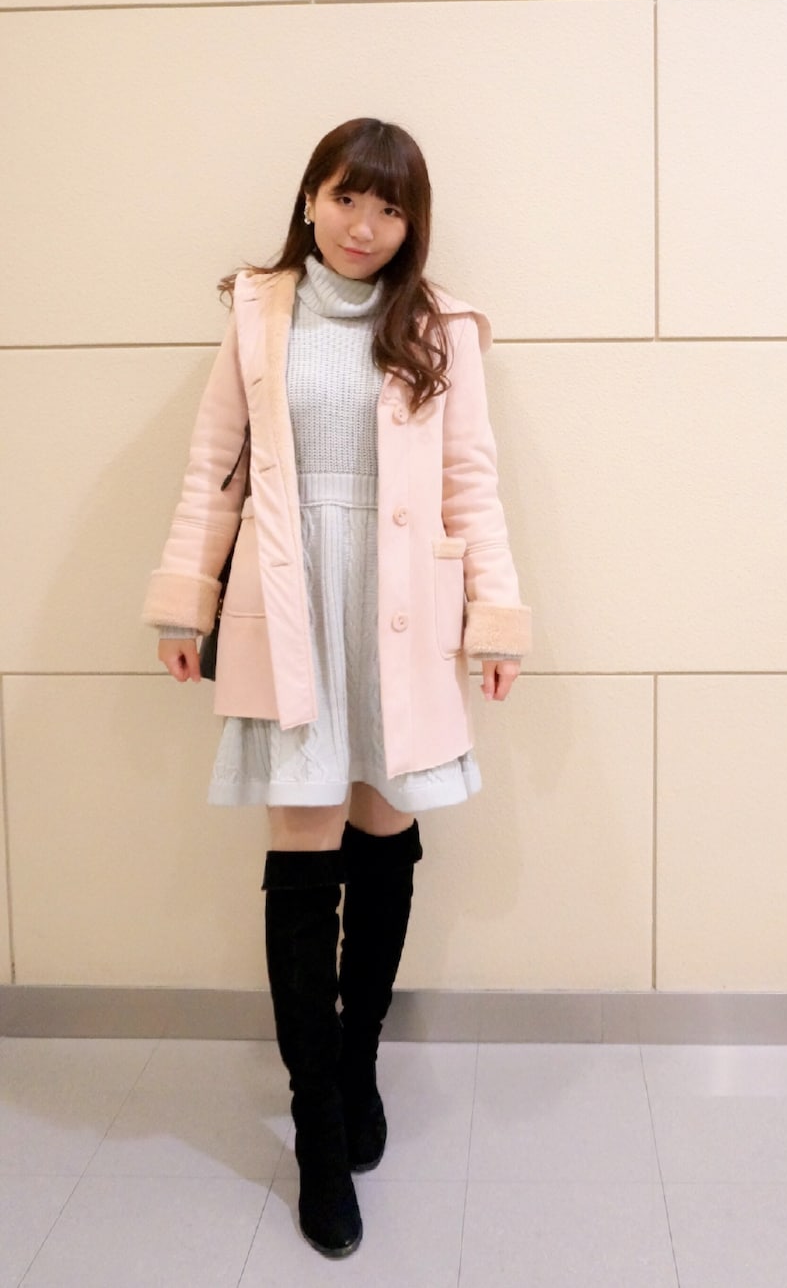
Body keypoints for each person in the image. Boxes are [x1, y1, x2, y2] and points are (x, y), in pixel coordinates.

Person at [141, 117, 531, 1259]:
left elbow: (471, 483)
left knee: (385, 835)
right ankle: (319, 1125)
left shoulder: (438, 324)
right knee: (304, 852)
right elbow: (215, 467)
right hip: (291, 600)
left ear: (413, 223)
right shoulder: (258, 311)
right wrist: (187, 600)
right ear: (310, 198)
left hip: (403, 609)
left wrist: (494, 617)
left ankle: (358, 1063)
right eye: (346, 198)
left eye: (390, 207)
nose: (364, 226)